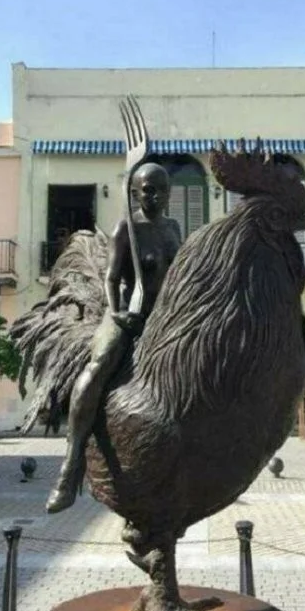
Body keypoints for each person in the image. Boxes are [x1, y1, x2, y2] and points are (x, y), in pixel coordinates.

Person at [46, 162, 182, 513]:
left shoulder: (172, 228)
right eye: (147, 189)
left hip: (164, 313)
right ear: (135, 192)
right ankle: (71, 463)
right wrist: (117, 312)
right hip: (127, 310)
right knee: (101, 363)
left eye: (160, 189)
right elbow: (111, 277)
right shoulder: (126, 228)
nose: (154, 195)